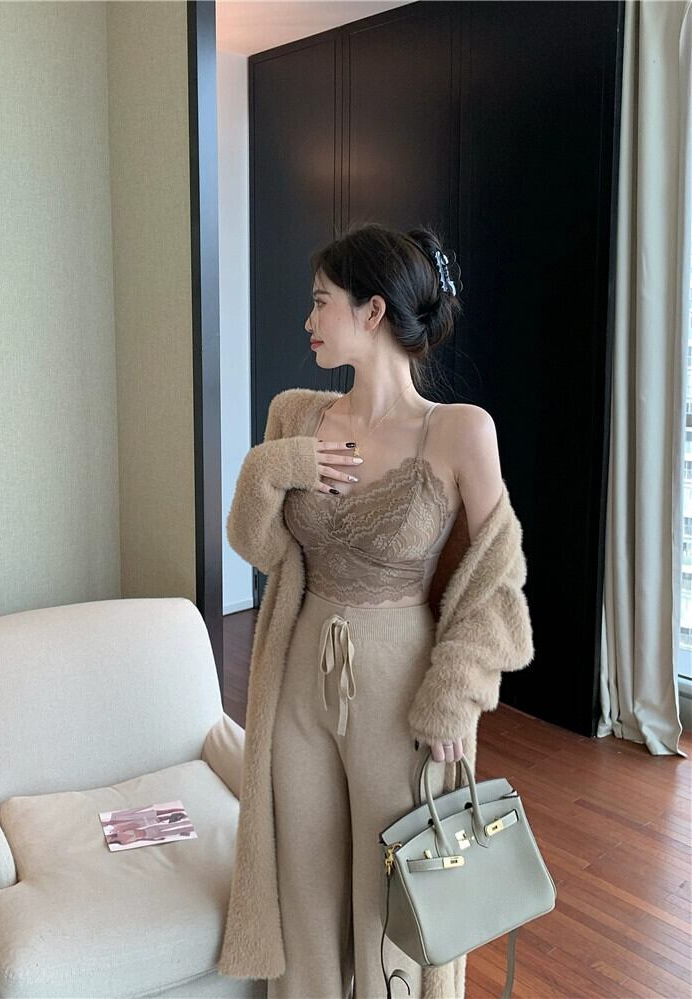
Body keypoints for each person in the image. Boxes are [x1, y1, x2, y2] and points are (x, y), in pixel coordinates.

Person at [266, 221, 505, 999]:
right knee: (302, 884)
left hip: (400, 689)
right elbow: (257, 545)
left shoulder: (460, 430)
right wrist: (272, 467)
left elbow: (497, 575)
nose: (308, 319)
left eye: (320, 301)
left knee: (392, 898)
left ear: (372, 311)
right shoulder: (296, 415)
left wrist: (454, 696)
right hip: (300, 674)